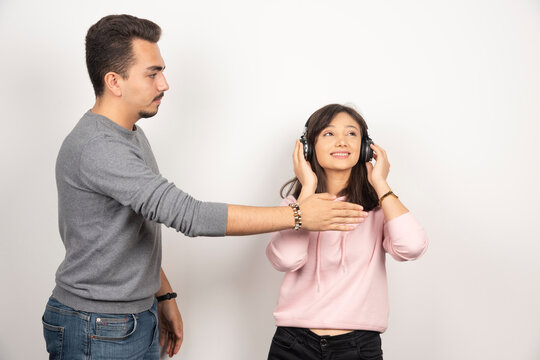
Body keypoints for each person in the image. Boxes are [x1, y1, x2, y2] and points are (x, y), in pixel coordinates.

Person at [41, 15, 367, 360]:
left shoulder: (130, 135)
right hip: (96, 326)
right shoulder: (99, 147)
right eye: (152, 73)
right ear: (114, 82)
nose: (164, 84)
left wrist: (162, 295)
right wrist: (298, 215)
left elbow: (135, 228)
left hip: (133, 317)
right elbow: (190, 215)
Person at [266, 104, 429, 360]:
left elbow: (412, 247)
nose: (342, 141)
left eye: (351, 134)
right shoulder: (293, 206)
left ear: (365, 148)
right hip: (293, 344)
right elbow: (287, 259)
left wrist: (380, 183)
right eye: (329, 134)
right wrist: (307, 189)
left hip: (359, 346)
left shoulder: (380, 209)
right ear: (308, 148)